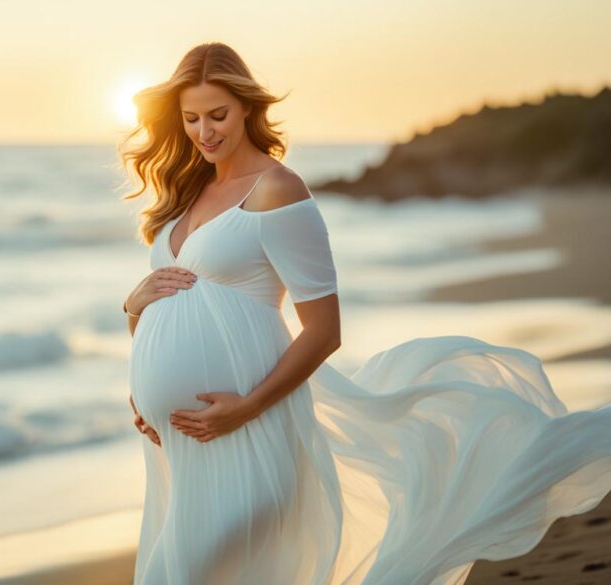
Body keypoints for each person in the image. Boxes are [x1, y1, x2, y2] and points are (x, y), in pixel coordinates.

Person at [117, 41, 611, 585]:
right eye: (190, 118)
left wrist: (248, 407)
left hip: (246, 429)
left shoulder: (277, 191)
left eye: (218, 115)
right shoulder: (186, 194)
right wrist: (134, 319)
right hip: (175, 443)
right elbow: (166, 311)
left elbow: (324, 331)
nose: (204, 131)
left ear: (248, 109)